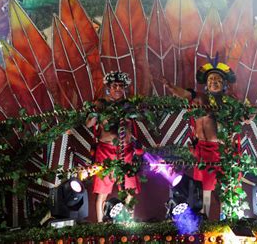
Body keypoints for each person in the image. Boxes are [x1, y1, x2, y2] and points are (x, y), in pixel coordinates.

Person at [161, 60, 236, 217]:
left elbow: (245, 119)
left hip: (220, 151)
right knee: (204, 189)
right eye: (210, 80)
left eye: (217, 80)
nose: (213, 82)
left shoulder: (229, 103)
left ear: (224, 85)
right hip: (202, 150)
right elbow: (184, 94)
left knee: (223, 188)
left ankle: (225, 220)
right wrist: (170, 87)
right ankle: (205, 220)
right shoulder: (199, 98)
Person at [86, 71, 143, 222]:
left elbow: (140, 119)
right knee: (103, 191)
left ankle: (128, 223)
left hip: (127, 150)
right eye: (114, 86)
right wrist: (96, 113)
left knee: (129, 189)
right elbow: (89, 124)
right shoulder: (101, 104)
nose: (118, 88)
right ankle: (100, 225)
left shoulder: (129, 105)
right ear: (108, 88)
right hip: (106, 151)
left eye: (121, 86)